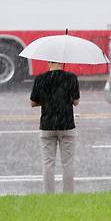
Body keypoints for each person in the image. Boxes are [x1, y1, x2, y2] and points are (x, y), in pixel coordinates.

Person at [30, 61, 80, 193]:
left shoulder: (40, 78)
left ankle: (49, 196)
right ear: (62, 62)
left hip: (47, 125)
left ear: (48, 62)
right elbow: (76, 102)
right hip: (67, 125)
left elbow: (32, 102)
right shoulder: (71, 77)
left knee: (48, 164)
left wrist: (48, 100)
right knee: (67, 164)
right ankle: (68, 195)